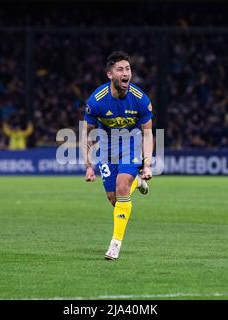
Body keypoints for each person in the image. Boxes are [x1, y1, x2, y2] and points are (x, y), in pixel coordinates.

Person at [82, 51, 154, 260]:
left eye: (128, 69)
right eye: (120, 69)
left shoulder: (140, 99)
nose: (126, 73)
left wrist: (147, 164)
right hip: (106, 147)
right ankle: (137, 182)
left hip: (131, 144)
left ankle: (115, 244)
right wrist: (88, 166)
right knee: (114, 198)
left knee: (122, 186)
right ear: (110, 75)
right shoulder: (97, 101)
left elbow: (148, 133)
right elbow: (86, 135)